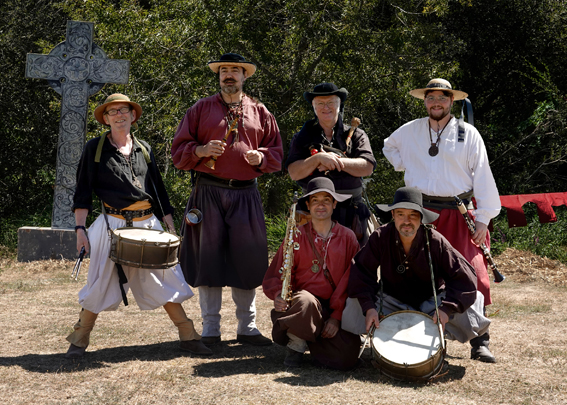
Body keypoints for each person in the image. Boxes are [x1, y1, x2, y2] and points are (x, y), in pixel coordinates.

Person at [67, 93, 211, 359]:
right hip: (111, 224)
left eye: (124, 110)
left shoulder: (144, 148)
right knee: (99, 281)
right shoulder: (94, 149)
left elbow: (157, 189)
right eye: (113, 112)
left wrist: (167, 221)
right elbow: (82, 192)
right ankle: (78, 341)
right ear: (106, 119)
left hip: (148, 224)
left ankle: (189, 336)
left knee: (165, 279)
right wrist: (80, 230)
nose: (119, 115)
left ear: (133, 116)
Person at [382, 78, 500, 363]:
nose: (436, 103)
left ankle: (479, 340)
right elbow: (388, 146)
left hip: (459, 213)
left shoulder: (468, 133)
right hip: (419, 214)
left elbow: (482, 174)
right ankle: (423, 335)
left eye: (442, 98)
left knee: (475, 274)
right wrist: (404, 164)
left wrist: (483, 217)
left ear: (451, 101)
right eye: (431, 97)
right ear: (425, 101)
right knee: (422, 275)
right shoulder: (409, 131)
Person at [171, 53, 283, 347]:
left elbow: (277, 153)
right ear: (218, 76)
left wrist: (263, 157)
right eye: (224, 71)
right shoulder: (200, 109)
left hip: (245, 193)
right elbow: (178, 151)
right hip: (207, 192)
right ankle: (210, 329)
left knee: (245, 259)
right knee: (209, 259)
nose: (229, 75)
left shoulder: (260, 111)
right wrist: (200, 151)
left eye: (235, 70)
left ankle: (247, 328)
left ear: (245, 76)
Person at [343, 187, 490, 363]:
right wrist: (369, 307)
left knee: (473, 301)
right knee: (353, 303)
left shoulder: (435, 240)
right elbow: (361, 272)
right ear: (393, 216)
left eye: (413, 215)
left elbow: (464, 279)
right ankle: (351, 346)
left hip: (431, 305)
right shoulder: (380, 237)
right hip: (391, 303)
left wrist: (446, 309)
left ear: (421, 218)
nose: (406, 221)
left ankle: (480, 343)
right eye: (400, 214)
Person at [263, 178, 361, 369]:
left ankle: (314, 341)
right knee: (305, 301)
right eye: (315, 200)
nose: (321, 205)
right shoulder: (295, 235)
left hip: (333, 309)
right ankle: (296, 344)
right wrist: (278, 295)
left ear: (334, 204)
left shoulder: (348, 237)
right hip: (304, 305)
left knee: (346, 358)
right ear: (308, 205)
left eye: (326, 200)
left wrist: (337, 317)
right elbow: (276, 273)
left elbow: (352, 279)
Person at [286, 83, 376, 245]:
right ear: (313, 107)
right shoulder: (301, 137)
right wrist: (317, 159)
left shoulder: (357, 135)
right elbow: (294, 172)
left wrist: (336, 160)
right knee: (312, 265)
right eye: (320, 103)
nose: (325, 107)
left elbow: (367, 166)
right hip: (313, 210)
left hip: (351, 211)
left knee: (355, 264)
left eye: (330, 102)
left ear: (339, 105)